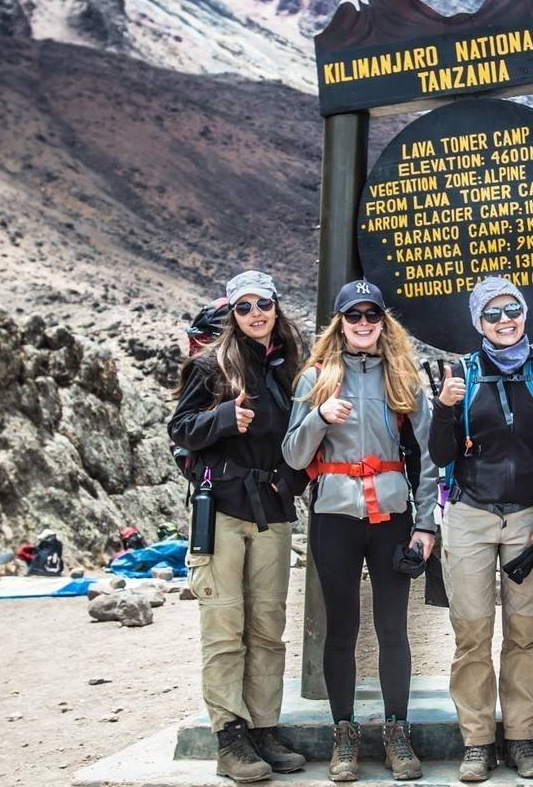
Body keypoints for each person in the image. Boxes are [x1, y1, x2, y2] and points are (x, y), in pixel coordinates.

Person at [282, 279, 440, 783]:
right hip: (334, 518)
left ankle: (397, 732)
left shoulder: (404, 377)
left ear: (382, 321)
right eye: (355, 316)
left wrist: (426, 525)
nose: (364, 324)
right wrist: (319, 418)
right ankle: (344, 734)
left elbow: (431, 457)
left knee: (394, 629)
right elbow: (293, 454)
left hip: (392, 517)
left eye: (372, 315)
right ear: (341, 322)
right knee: (341, 629)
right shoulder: (315, 379)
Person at [169, 269, 310, 783]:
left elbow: (303, 435)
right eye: (244, 306)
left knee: (268, 629)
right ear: (233, 313)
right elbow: (180, 429)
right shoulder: (210, 366)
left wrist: (290, 482)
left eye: (263, 304)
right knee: (225, 626)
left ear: (276, 306)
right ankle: (230, 735)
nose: (255, 314)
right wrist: (224, 417)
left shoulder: (290, 366)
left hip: (271, 511)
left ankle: (265, 728)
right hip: (223, 508)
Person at [427, 277, 533, 782]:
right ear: (477, 323)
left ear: (525, 314)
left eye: (513, 309)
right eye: (492, 314)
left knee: (524, 633)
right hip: (469, 516)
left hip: (528, 520)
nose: (505, 320)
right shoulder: (460, 378)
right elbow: (440, 456)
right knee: (471, 633)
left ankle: (522, 738)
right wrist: (444, 409)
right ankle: (477, 740)